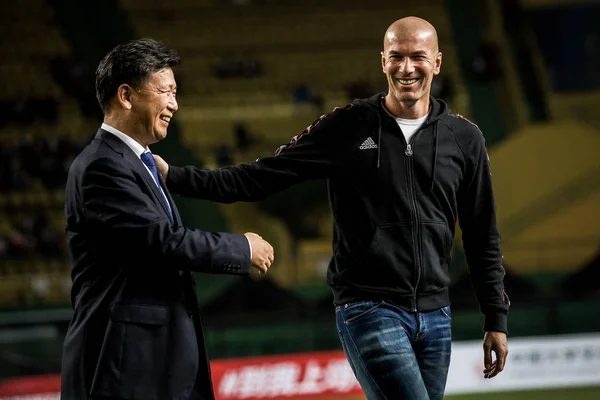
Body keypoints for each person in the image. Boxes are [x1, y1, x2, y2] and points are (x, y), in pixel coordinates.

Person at [154, 16, 509, 400]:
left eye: (417, 57)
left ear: (437, 63)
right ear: (383, 61)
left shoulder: (465, 138)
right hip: (370, 308)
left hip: (438, 315)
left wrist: (496, 318)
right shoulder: (346, 127)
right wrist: (175, 175)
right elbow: (260, 177)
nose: (406, 68)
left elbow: (481, 234)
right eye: (396, 57)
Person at [60, 38, 274, 400]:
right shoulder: (102, 165)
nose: (175, 104)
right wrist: (242, 248)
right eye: (166, 92)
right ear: (126, 96)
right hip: (126, 365)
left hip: (159, 360)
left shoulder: (137, 163)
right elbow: (163, 241)